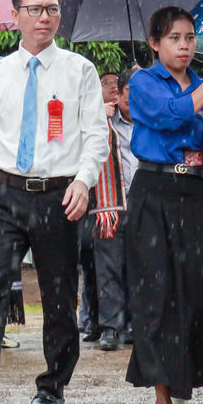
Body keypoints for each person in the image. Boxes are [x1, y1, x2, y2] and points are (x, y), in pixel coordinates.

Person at [0, 0, 108, 404]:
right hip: (4, 194)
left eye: (52, 9)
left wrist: (83, 180)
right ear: (15, 15)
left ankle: (52, 386)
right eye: (35, 9)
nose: (45, 17)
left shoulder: (80, 71)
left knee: (59, 296)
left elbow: (97, 137)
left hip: (60, 196)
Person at [124, 7, 203, 404]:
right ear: (155, 44)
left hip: (196, 191)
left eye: (190, 37)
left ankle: (184, 394)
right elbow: (169, 116)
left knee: (196, 291)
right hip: (154, 191)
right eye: (174, 38)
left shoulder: (202, 86)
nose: (185, 45)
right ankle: (160, 397)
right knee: (157, 292)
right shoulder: (143, 81)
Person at [87, 70, 137, 351]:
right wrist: (97, 117)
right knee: (108, 269)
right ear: (120, 93)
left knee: (139, 269)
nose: (133, 97)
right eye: (129, 90)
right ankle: (110, 327)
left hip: (143, 206)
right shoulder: (101, 120)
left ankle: (135, 324)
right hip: (109, 206)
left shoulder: (151, 122)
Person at [79, 70, 124, 342]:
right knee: (99, 267)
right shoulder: (93, 118)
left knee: (129, 268)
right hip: (100, 207)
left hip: (133, 202)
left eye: (116, 83)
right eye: (105, 84)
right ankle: (103, 324)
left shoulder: (138, 119)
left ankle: (119, 323)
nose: (112, 88)